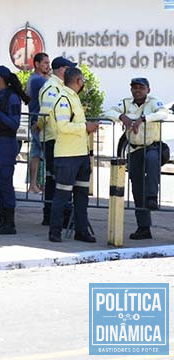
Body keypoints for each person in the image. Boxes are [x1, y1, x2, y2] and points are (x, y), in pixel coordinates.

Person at [104, 77, 168, 240]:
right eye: (134, 87)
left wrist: (144, 118)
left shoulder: (153, 102)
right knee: (137, 188)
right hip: (134, 150)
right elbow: (108, 111)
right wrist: (122, 117)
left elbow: (163, 113)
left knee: (152, 160)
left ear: (148, 89)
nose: (138, 90)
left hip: (152, 146)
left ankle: (152, 197)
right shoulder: (126, 103)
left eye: (141, 87)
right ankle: (144, 228)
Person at [48, 67, 99, 243]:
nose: (83, 83)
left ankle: (81, 231)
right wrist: (85, 127)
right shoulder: (63, 99)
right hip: (67, 156)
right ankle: (55, 232)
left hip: (81, 154)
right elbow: (63, 127)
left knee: (81, 196)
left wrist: (86, 128)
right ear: (78, 81)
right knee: (62, 195)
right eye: (83, 80)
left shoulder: (74, 98)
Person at [0, 65, 30, 235]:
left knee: (4, 182)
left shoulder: (12, 98)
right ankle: (2, 220)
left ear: (0, 79)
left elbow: (14, 124)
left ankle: (9, 223)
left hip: (6, 142)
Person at [37, 56, 77, 226]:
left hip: (59, 139)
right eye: (69, 69)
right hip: (54, 138)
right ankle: (55, 217)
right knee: (58, 179)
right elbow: (44, 114)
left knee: (54, 179)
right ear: (62, 70)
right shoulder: (52, 88)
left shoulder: (60, 87)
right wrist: (38, 126)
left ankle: (52, 216)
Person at [26, 52, 50, 194]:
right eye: (45, 63)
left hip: (37, 118)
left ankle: (34, 185)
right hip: (38, 121)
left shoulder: (35, 79)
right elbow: (53, 85)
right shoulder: (37, 80)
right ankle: (36, 184)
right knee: (43, 152)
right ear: (37, 64)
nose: (48, 66)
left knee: (36, 153)